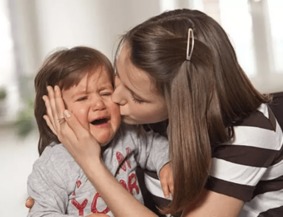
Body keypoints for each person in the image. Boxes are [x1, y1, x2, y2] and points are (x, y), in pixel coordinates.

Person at [30, 8, 283, 217]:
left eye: (135, 96)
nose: (115, 99)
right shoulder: (141, 122)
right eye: (118, 79)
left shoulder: (249, 132)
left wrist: (90, 162)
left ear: (179, 103)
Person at [27, 46, 173, 217]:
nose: (99, 104)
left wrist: (167, 163)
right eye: (82, 98)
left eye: (105, 93)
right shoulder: (53, 165)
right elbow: (40, 214)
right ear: (55, 112)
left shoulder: (128, 136)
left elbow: (154, 145)